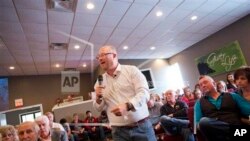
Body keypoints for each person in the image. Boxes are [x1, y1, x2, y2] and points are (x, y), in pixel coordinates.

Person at [94, 45, 156, 141]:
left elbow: (144, 93)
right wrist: (98, 98)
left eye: (103, 55)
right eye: (98, 57)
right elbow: (98, 108)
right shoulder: (99, 82)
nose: (100, 58)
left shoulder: (132, 70)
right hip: (118, 133)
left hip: (142, 128)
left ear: (114, 55)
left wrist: (128, 105)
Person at [194, 75, 241, 141]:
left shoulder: (232, 95)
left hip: (234, 127)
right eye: (200, 85)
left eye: (205, 82)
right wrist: (215, 125)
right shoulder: (198, 103)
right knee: (204, 122)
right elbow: (198, 125)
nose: (203, 86)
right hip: (216, 137)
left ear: (214, 83)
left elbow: (247, 110)